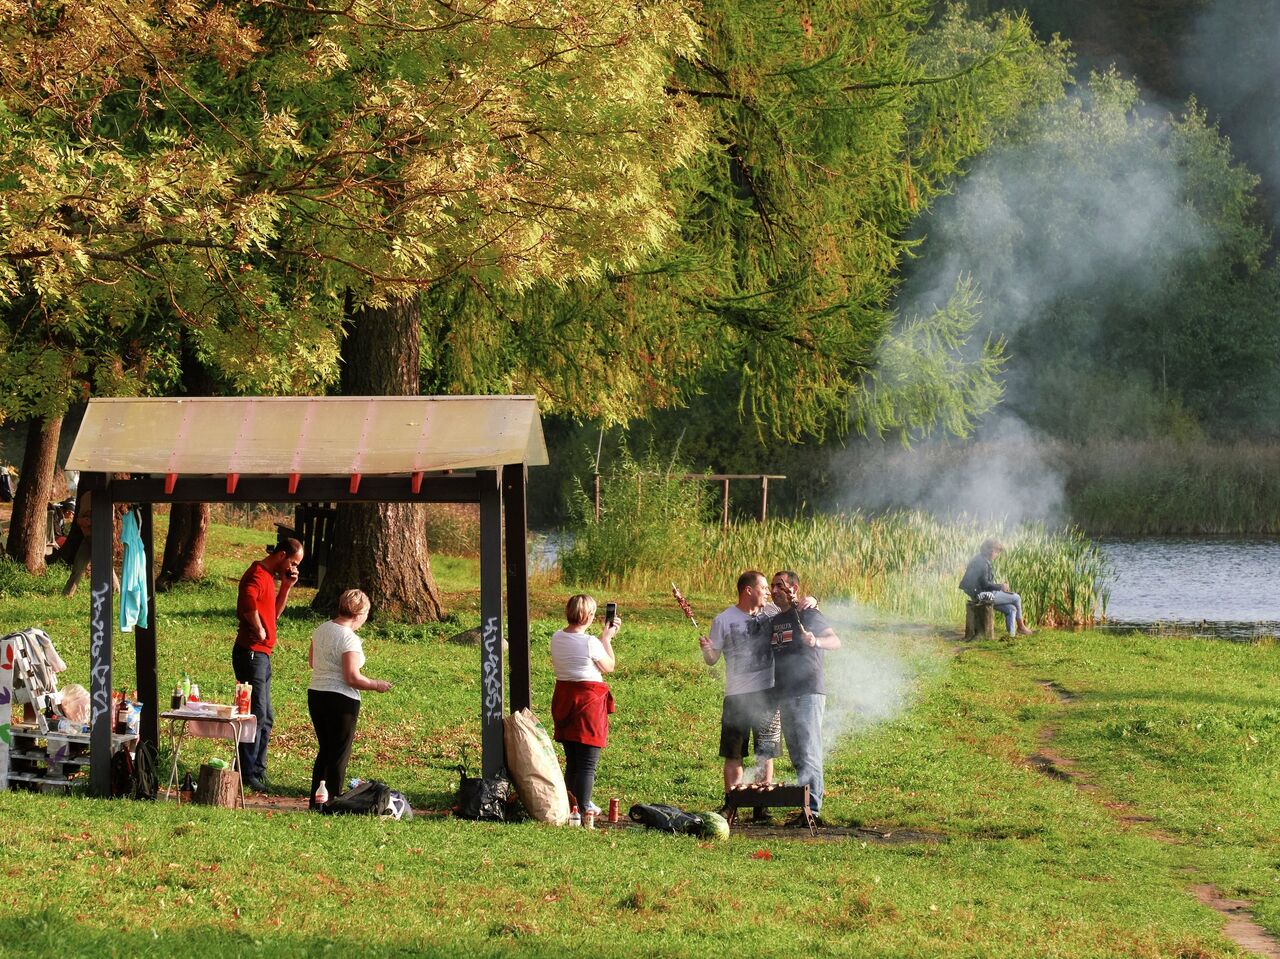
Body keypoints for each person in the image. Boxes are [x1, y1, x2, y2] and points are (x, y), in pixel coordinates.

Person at [307, 589, 392, 810]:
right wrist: (376, 684)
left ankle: (316, 800)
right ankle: (333, 799)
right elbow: (352, 677)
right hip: (341, 699)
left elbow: (312, 662)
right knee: (338, 753)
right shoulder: (349, 639)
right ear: (360, 613)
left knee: (325, 749)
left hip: (316, 693)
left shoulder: (321, 630)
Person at [699, 570, 782, 794]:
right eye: (763, 588)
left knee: (765, 752)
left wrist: (812, 600)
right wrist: (707, 650)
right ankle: (732, 802)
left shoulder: (774, 612)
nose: (768, 592)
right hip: (737, 696)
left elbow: (800, 608)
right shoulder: (723, 619)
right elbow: (712, 659)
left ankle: (761, 804)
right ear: (748, 590)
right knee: (733, 753)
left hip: (768, 693)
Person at [768, 569, 840, 826]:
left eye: (780, 585)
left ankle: (814, 812)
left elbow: (835, 641)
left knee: (809, 751)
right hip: (785, 693)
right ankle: (805, 809)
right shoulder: (776, 620)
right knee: (797, 753)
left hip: (808, 690)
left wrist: (815, 641)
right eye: (772, 586)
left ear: (793, 588)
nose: (774, 590)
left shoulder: (809, 614)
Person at [232, 537, 304, 791]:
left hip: (263, 655)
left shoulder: (270, 578)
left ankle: (258, 770)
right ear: (282, 554)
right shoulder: (256, 574)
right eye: (293, 562)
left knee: (267, 715)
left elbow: (274, 612)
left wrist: (286, 586)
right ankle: (245, 771)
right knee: (254, 713)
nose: (294, 567)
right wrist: (258, 628)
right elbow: (249, 603)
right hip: (250, 653)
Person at [550, 594, 620, 816]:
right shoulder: (591, 643)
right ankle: (582, 806)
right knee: (588, 763)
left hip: (564, 699)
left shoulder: (556, 637)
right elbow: (609, 666)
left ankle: (568, 805)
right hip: (588, 703)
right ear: (589, 616)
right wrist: (606, 639)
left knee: (572, 760)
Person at [960, 538, 1033, 637]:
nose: (997, 555)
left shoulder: (981, 559)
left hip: (980, 593)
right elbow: (985, 584)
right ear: (991, 550)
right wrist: (1001, 586)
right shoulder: (982, 563)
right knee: (1016, 598)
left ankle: (1011, 636)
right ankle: (1021, 627)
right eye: (997, 552)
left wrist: (999, 586)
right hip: (981, 595)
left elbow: (983, 582)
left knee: (1011, 609)